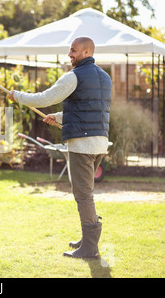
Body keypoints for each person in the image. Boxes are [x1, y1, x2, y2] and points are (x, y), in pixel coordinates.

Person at [8, 36, 112, 259]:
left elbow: (45, 98)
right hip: (99, 143)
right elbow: (88, 113)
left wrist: (17, 96)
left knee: (83, 195)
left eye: (73, 51)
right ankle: (87, 239)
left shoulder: (74, 76)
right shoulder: (105, 78)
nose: (69, 54)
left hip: (82, 145)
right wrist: (58, 117)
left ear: (86, 52)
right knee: (86, 193)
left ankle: (90, 248)